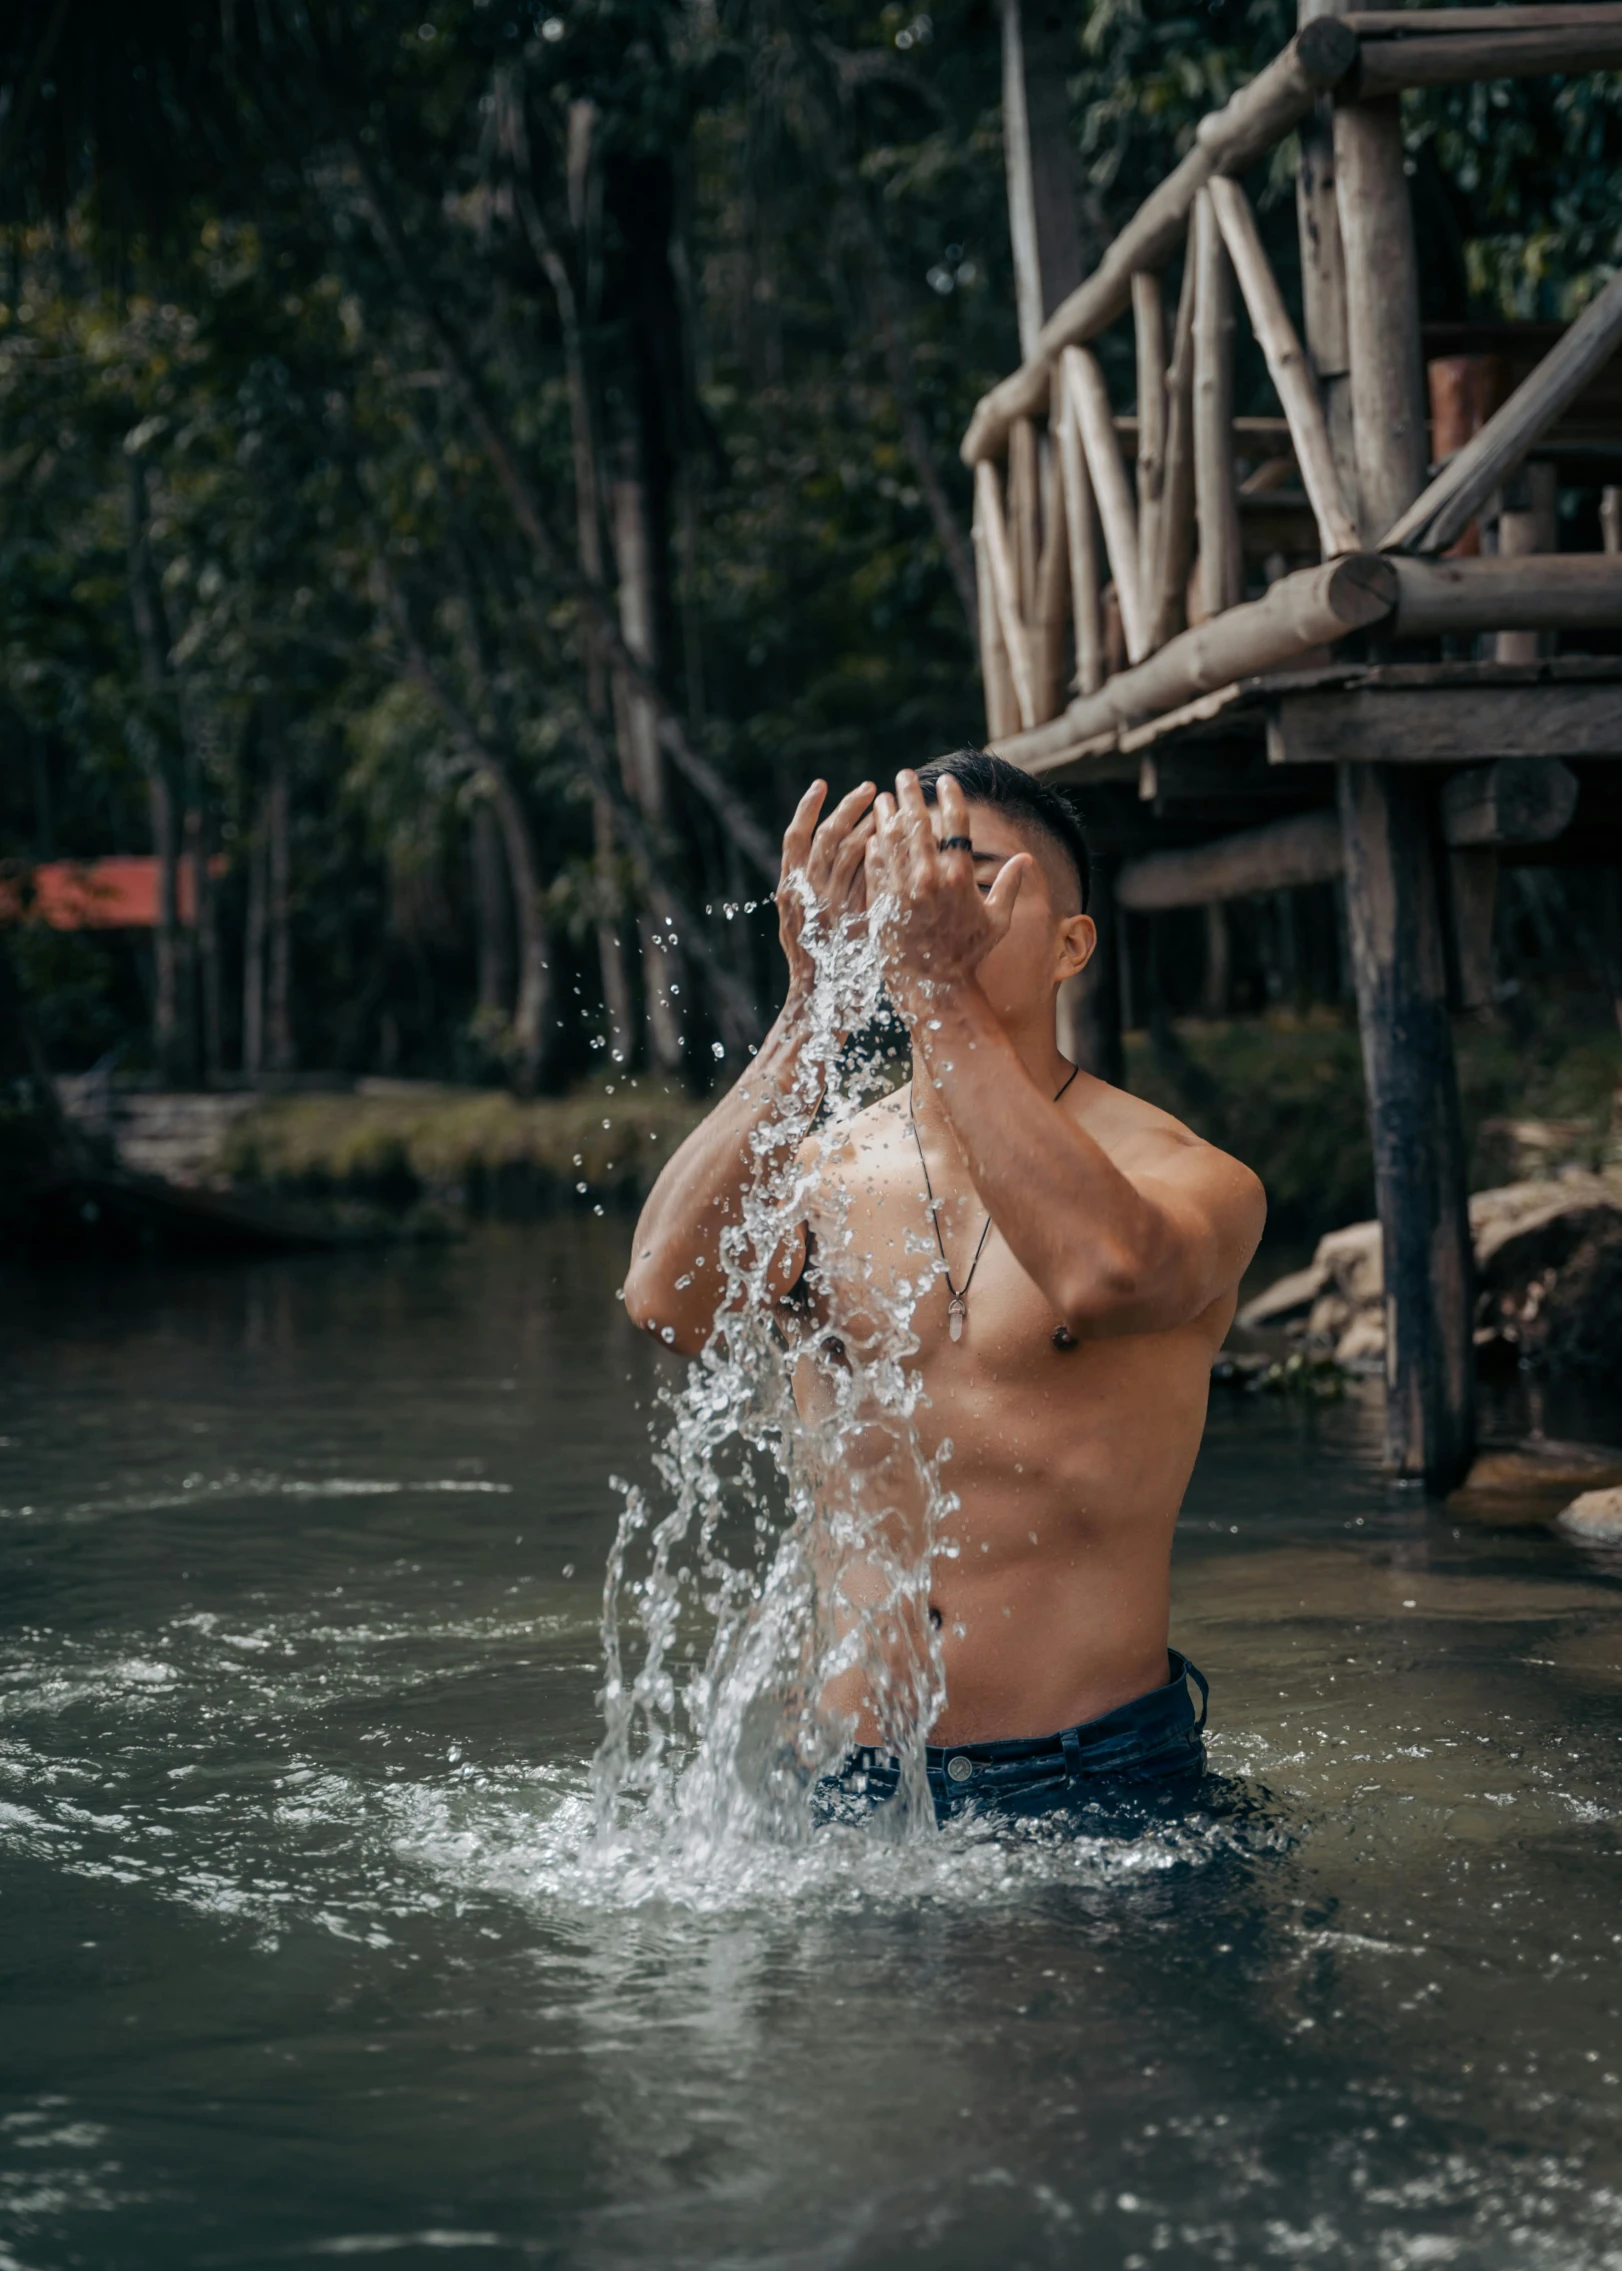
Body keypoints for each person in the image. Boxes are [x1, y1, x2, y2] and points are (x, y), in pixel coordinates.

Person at [623, 749, 1266, 1828]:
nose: (925, 904)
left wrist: (929, 989)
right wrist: (813, 1006)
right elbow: (667, 1297)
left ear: (1069, 944)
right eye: (903, 879)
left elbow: (1101, 1274)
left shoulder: (1181, 1176)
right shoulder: (822, 1177)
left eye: (968, 877)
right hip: (839, 1785)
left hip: (1091, 1785)